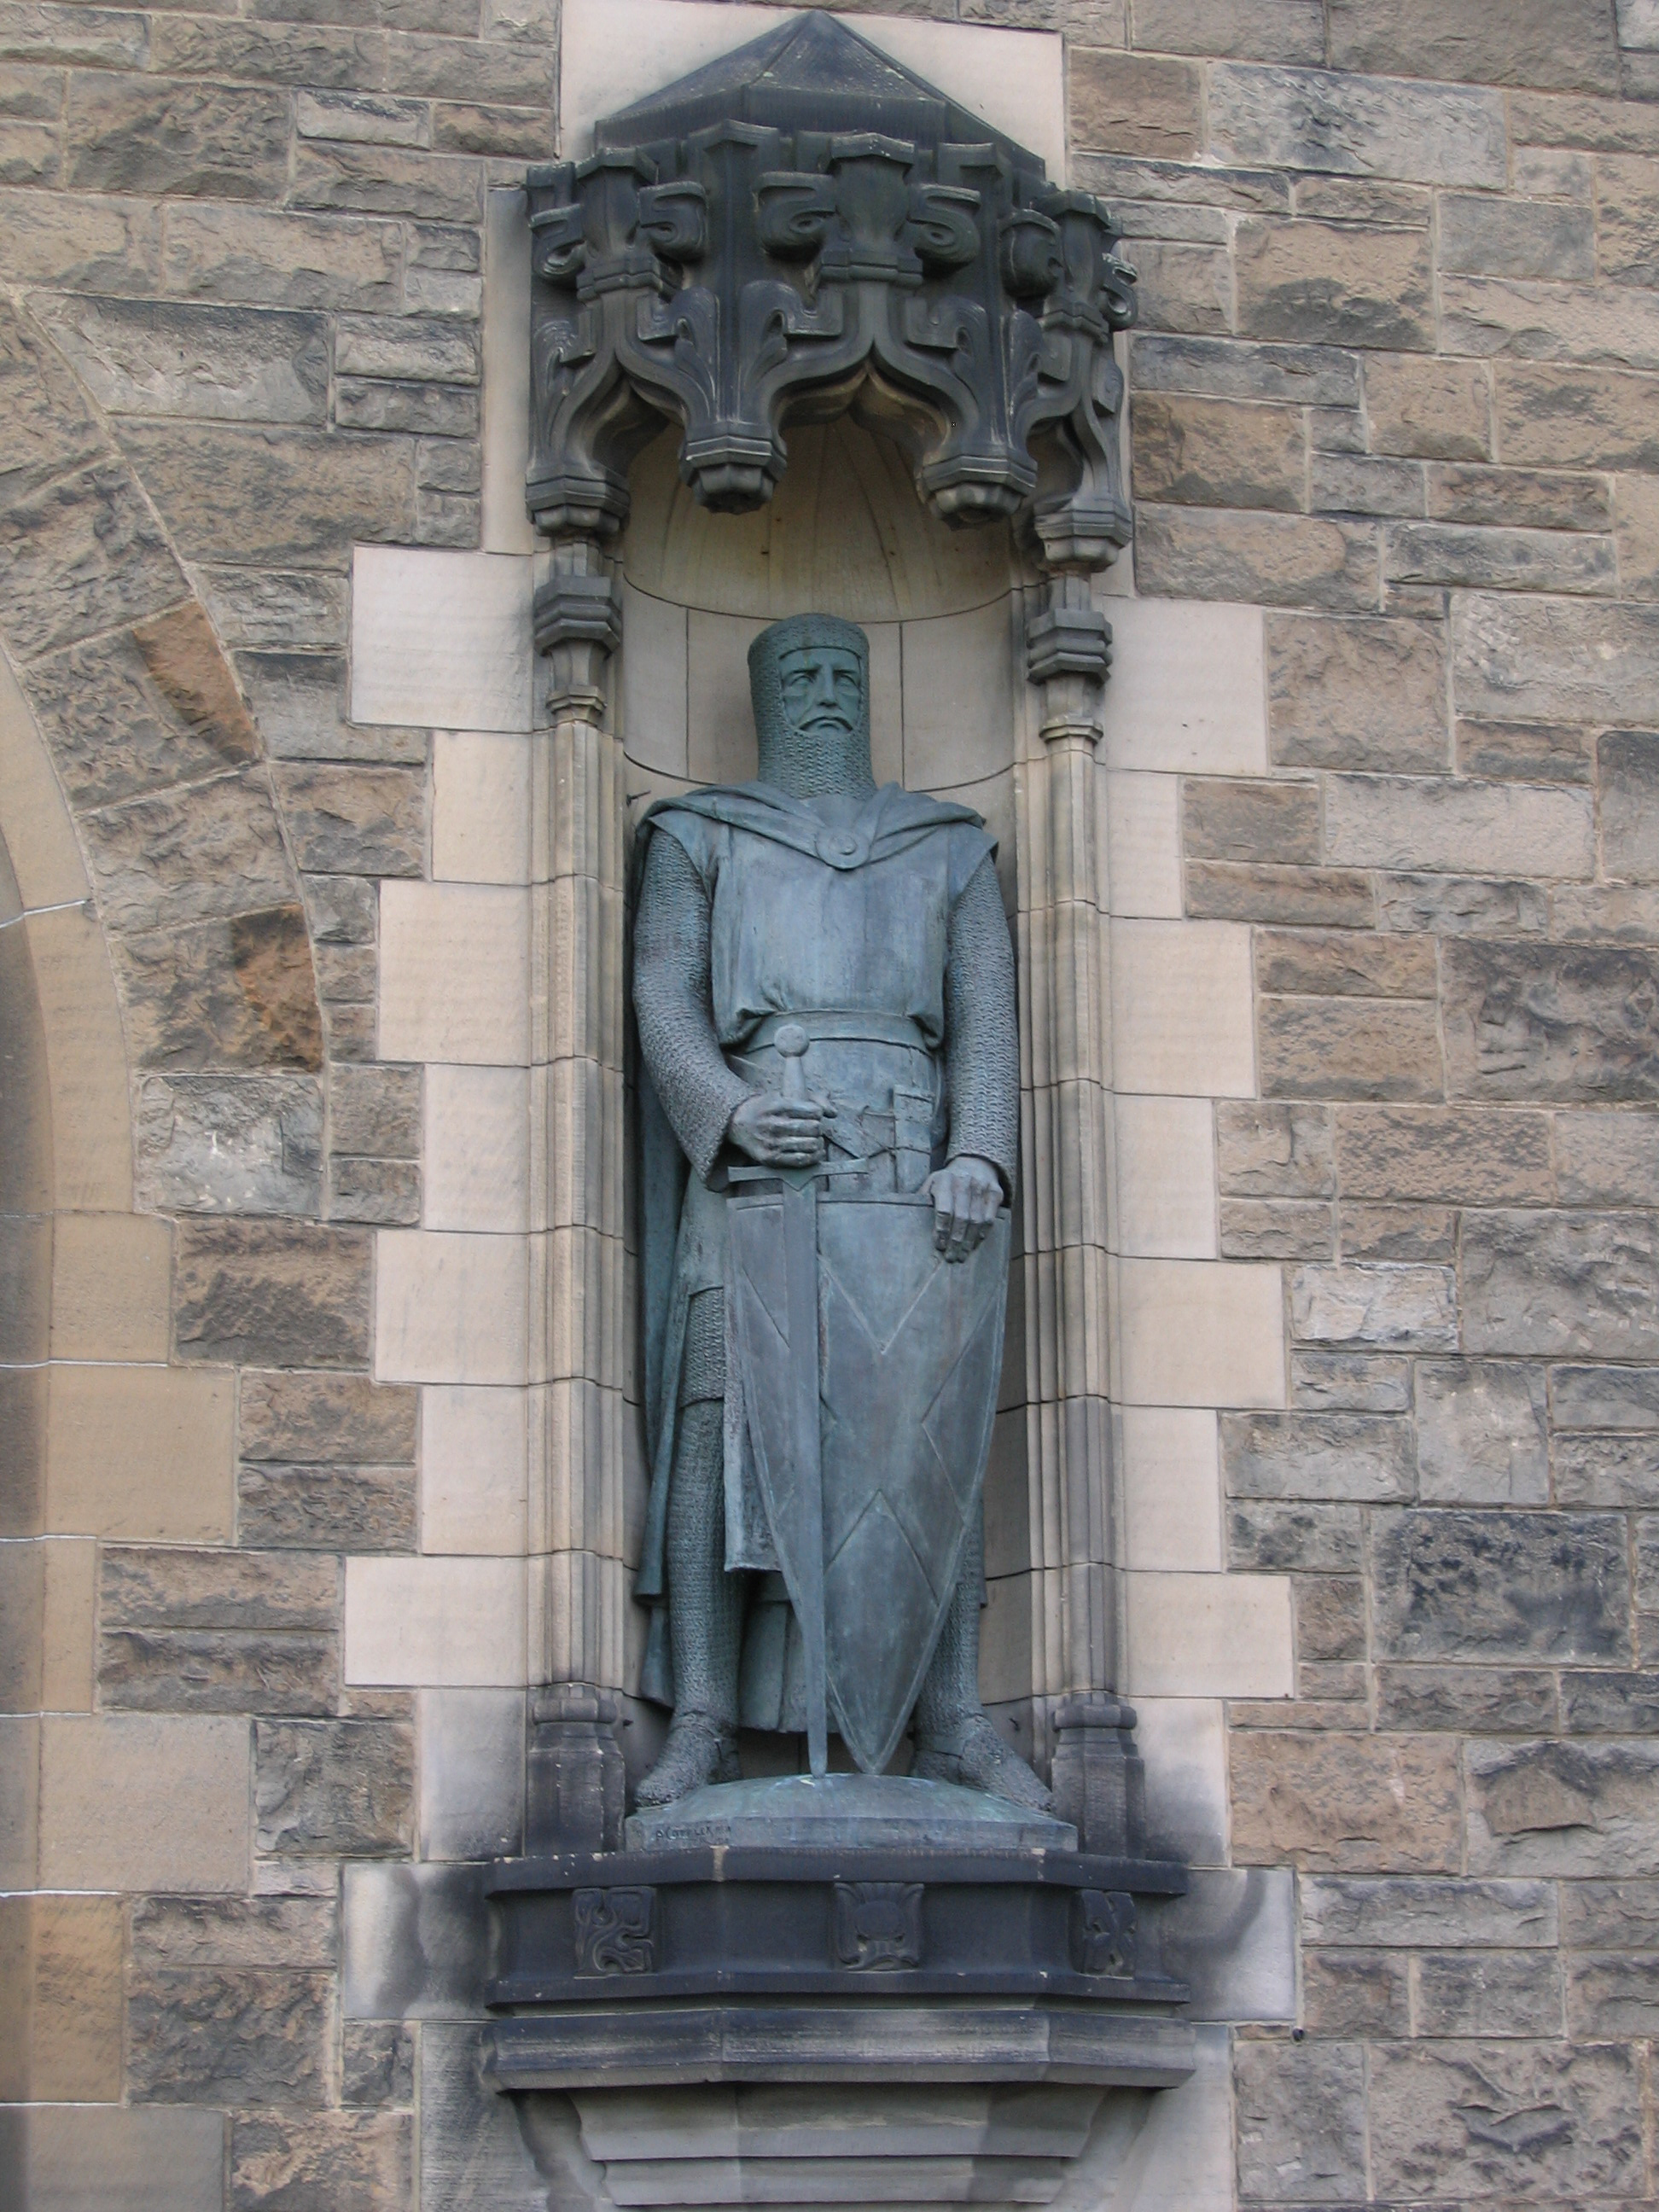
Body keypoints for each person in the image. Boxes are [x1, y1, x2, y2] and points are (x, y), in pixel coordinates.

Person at [631, 612, 1050, 1812]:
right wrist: (725, 1108)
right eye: (800, 676)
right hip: (764, 1170)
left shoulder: (946, 847)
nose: (824, 693)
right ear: (768, 698)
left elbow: (987, 1023)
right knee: (725, 1424)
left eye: (842, 675)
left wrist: (979, 1153)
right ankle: (705, 1718)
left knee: (934, 1438)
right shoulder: (700, 835)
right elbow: (662, 993)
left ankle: (957, 1719)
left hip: (912, 1177)